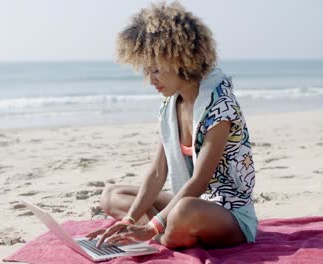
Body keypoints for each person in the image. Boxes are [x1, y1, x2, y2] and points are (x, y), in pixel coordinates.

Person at [85, 1, 257, 249]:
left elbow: (200, 181)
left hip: (227, 212)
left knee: (183, 211)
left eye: (155, 70)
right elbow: (157, 173)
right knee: (111, 195)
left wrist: (150, 225)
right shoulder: (170, 106)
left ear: (179, 59)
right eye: (145, 70)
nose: (150, 79)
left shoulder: (221, 106)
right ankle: (148, 234)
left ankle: (156, 235)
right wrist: (130, 218)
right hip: (187, 202)